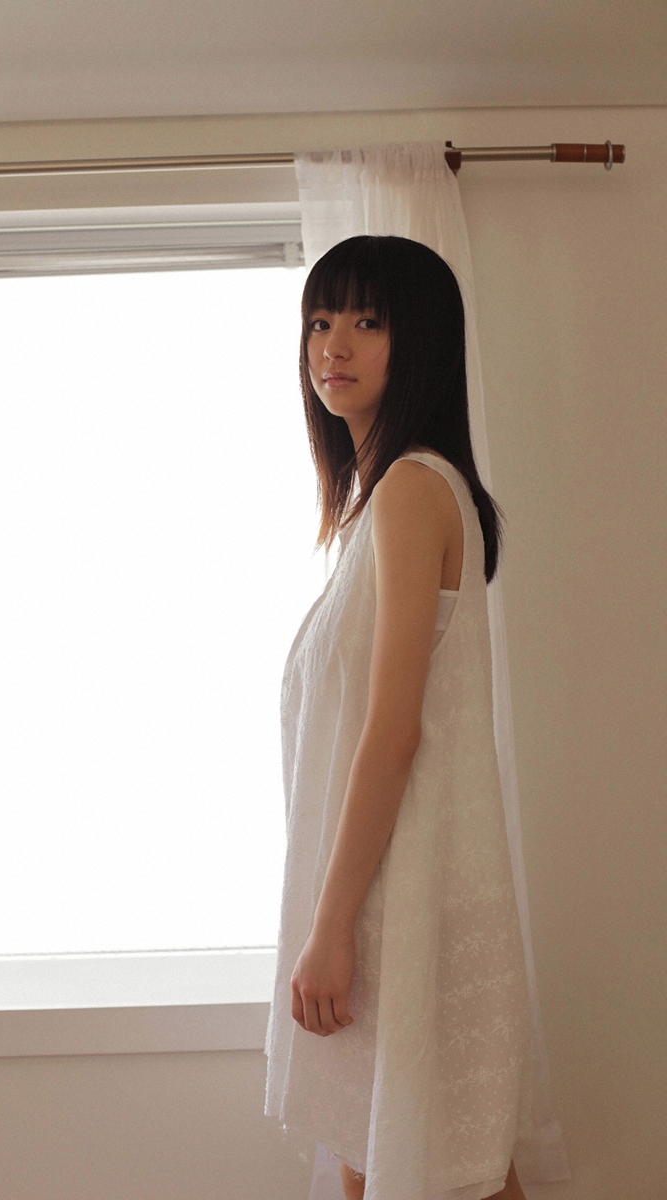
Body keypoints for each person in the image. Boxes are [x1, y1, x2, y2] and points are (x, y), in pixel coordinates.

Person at [264, 236, 535, 1200]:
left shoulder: (412, 491)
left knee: (420, 1167)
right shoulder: (386, 499)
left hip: (401, 896)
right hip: (395, 888)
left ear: (417, 341)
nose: (332, 344)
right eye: (319, 319)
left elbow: (393, 731)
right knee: (413, 1164)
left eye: (367, 321)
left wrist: (331, 925)